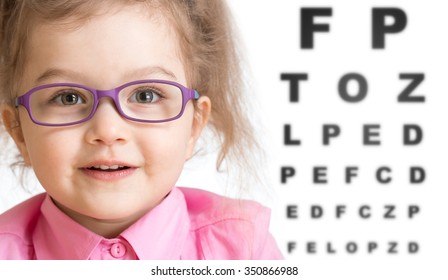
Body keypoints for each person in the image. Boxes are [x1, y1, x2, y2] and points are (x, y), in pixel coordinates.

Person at [0, 0, 283, 259]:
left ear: (195, 124)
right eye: (68, 98)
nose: (108, 130)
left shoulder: (244, 249)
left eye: (145, 96)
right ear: (19, 131)